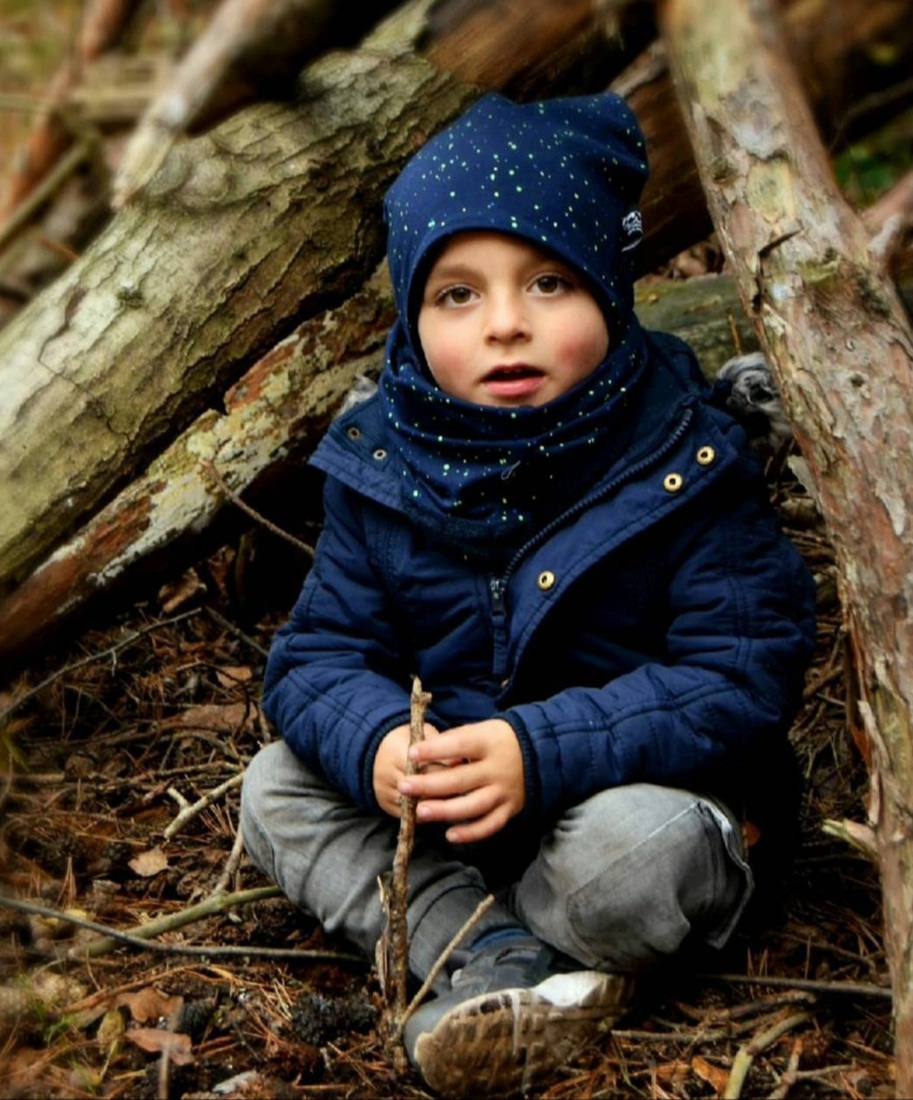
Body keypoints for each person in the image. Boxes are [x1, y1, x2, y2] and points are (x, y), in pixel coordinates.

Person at [239, 91, 816, 1099]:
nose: (505, 324)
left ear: (609, 286)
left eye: (548, 282)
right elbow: (314, 658)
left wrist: (539, 750)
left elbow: (745, 668)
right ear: (413, 319)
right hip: (461, 813)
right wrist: (382, 743)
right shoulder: (383, 467)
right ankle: (506, 955)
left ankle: (518, 954)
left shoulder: (684, 457)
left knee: (635, 851)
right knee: (274, 789)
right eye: (456, 294)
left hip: (626, 798)